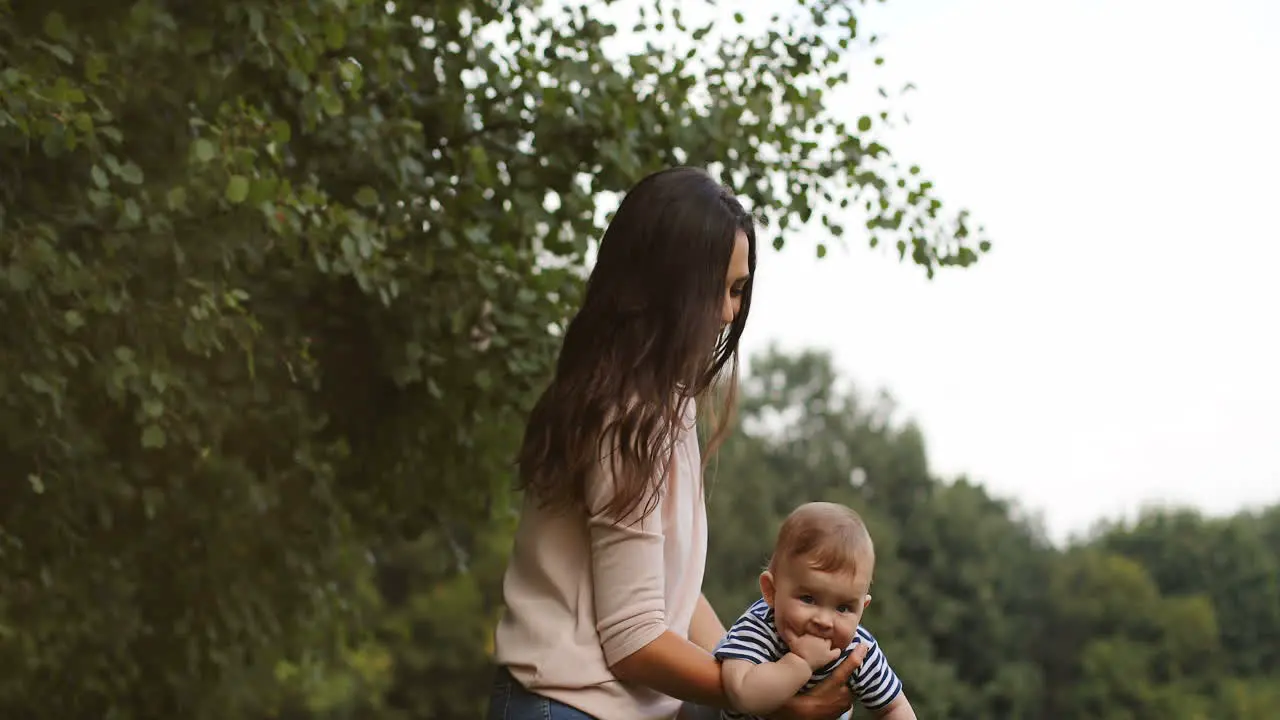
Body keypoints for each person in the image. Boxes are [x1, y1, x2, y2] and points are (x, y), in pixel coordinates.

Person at [487, 167, 864, 720]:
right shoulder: (625, 417)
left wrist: (752, 671)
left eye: (738, 290)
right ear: (661, 284)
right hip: (564, 705)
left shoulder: (662, 404)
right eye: (716, 289)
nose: (729, 312)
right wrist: (765, 698)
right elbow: (635, 641)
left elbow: (671, 601)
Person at [714, 503, 917, 720]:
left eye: (843, 608)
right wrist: (801, 662)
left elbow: (894, 708)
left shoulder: (858, 650)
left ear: (862, 610)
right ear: (771, 591)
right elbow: (743, 695)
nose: (824, 620)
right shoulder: (759, 629)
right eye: (808, 599)